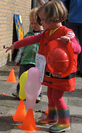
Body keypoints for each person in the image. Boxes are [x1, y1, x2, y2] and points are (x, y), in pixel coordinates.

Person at [5, 0, 81, 132]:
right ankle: (52, 116)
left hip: (62, 72)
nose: (41, 23)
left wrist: (69, 43)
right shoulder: (46, 32)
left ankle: (64, 122)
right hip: (50, 70)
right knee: (50, 94)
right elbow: (30, 39)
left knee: (57, 96)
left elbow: (78, 48)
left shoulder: (67, 32)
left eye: (43, 20)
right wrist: (15, 45)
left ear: (55, 18)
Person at [12, 7, 44, 103]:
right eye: (32, 23)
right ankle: (20, 92)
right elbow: (21, 48)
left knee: (37, 80)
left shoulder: (44, 36)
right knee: (22, 77)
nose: (34, 26)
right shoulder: (28, 34)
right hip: (25, 61)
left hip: (36, 63)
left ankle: (37, 94)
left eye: (36, 23)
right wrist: (18, 59)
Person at [61, 0, 82, 76]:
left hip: (72, 17)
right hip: (72, 18)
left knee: (68, 44)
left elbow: (62, 2)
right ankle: (69, 67)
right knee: (68, 44)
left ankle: (67, 67)